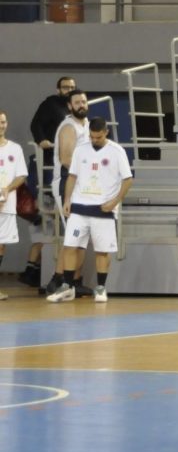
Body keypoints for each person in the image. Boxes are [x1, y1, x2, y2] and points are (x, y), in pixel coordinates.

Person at [45, 118, 133, 304]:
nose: (94, 140)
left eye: (98, 137)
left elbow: (127, 180)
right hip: (79, 208)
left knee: (102, 251)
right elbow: (72, 176)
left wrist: (115, 202)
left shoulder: (117, 151)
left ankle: (101, 288)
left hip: (103, 210)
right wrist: (68, 199)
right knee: (70, 246)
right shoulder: (81, 149)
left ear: (106, 132)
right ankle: (67, 287)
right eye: (92, 137)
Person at [24, 76, 76, 289]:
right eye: (66, 87)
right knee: (44, 221)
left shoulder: (75, 110)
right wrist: (41, 140)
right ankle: (36, 272)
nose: (69, 90)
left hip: (68, 169)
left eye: (72, 87)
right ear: (58, 89)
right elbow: (36, 124)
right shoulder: (50, 105)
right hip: (50, 163)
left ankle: (35, 272)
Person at [50, 89, 91, 297]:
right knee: (73, 236)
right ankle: (58, 280)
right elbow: (67, 160)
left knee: (80, 235)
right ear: (70, 106)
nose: (81, 105)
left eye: (84, 101)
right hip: (67, 182)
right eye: (77, 102)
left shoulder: (88, 124)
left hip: (84, 185)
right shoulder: (68, 126)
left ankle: (75, 280)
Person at [0, 110, 28, 300]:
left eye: (3, 122)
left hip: (6, 205)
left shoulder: (15, 149)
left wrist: (7, 189)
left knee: (1, 245)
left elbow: (22, 175)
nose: (1, 125)